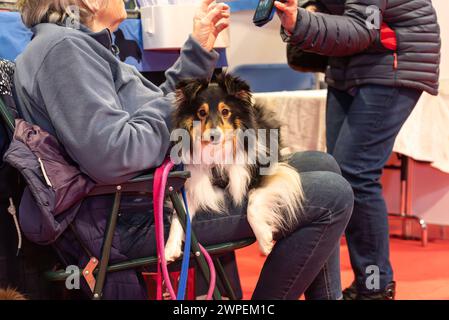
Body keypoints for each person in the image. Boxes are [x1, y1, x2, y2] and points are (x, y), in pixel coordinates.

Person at [14, 0, 353, 299]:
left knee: (322, 164)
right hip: (126, 218)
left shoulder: (78, 47)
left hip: (145, 199)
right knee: (331, 194)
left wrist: (199, 50)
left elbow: (156, 106)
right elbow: (115, 155)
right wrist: (177, 112)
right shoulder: (64, 53)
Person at [275, 0, 441, 299]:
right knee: (336, 177)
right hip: (348, 65)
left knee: (356, 174)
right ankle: (363, 281)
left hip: (392, 63)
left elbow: (363, 27)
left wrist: (301, 20)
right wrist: (310, 9)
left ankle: (376, 285)